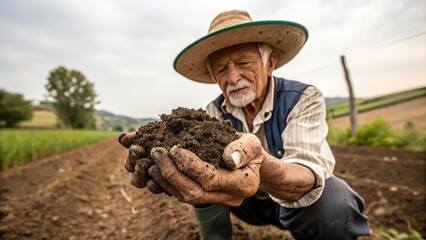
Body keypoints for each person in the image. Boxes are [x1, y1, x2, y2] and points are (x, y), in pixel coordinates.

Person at [119, 9, 370, 239]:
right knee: (194, 170)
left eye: (243, 63)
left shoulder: (303, 98)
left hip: (294, 201)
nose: (233, 77)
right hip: (243, 203)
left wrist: (260, 163)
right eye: (221, 69)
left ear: (269, 63)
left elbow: (308, 173)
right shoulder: (211, 113)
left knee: (335, 203)